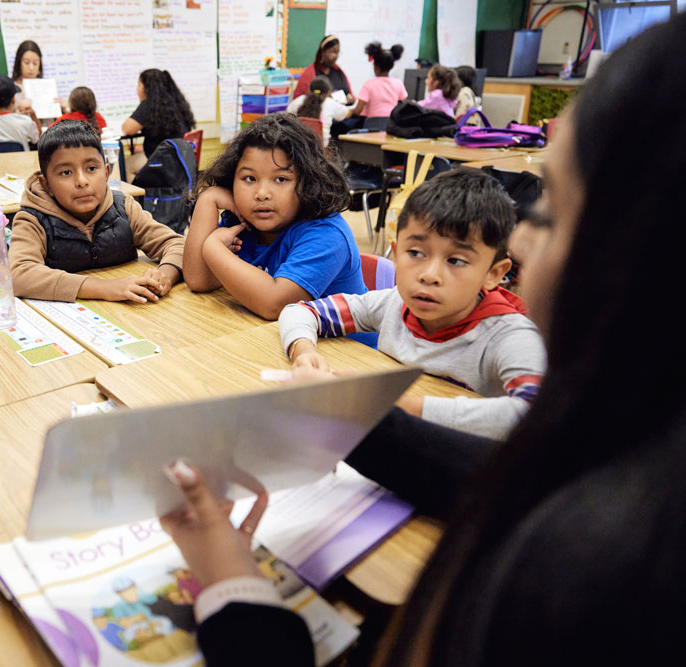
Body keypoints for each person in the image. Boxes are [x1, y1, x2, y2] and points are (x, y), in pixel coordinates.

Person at [161, 13, 686, 665]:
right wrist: (346, 407)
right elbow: (486, 465)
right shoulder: (611, 448)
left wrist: (231, 587)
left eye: (548, 213)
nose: (522, 240)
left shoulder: (589, 576)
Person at [279, 169, 545, 440]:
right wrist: (304, 352)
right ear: (396, 254)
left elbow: (539, 417)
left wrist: (399, 408)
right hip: (396, 444)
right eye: (416, 253)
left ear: (494, 274)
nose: (429, 275)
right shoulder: (393, 304)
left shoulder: (509, 335)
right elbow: (303, 311)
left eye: (456, 261)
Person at [183, 114, 373, 346]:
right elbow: (198, 280)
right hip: (276, 345)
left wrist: (212, 247)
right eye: (249, 178)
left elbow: (275, 305)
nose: (262, 193)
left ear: (309, 182)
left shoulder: (326, 233)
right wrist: (208, 199)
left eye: (281, 179)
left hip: (348, 358)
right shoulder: (243, 222)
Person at [8, 120, 185, 303]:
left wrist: (164, 276)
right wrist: (104, 288)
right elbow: (18, 274)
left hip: (133, 314)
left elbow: (177, 245)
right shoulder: (32, 219)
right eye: (66, 173)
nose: (82, 181)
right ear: (47, 185)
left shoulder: (124, 207)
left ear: (106, 173)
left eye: (91, 168)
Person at [121, 69, 196, 180]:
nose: (137, 90)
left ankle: (142, 195)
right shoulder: (177, 103)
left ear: (146, 88)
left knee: (124, 166)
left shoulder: (148, 105)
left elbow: (127, 129)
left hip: (162, 161)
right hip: (180, 158)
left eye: (139, 85)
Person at [286, 75, 355, 146]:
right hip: (321, 149)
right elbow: (348, 114)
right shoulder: (331, 103)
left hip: (299, 147)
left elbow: (287, 115)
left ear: (309, 89)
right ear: (329, 92)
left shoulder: (298, 101)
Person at [347, 41, 408, 118]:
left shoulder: (369, 84)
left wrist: (348, 111)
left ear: (375, 67)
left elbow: (358, 110)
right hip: (390, 125)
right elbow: (404, 104)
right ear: (391, 67)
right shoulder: (398, 83)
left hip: (371, 126)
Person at [0, 74, 41, 148]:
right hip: (20, 160)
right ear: (13, 99)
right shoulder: (25, 122)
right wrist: (33, 115)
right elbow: (38, 138)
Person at [293, 35, 354, 104]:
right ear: (323, 52)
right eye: (333, 52)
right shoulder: (310, 73)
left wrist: (349, 97)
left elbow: (348, 91)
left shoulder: (338, 71)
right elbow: (300, 100)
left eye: (337, 53)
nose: (336, 56)